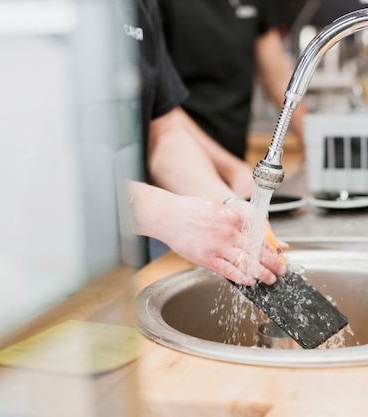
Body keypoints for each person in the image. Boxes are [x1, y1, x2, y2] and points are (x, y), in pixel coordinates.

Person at [120, 0, 287, 286]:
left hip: (125, 262)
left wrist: (226, 203)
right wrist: (167, 215)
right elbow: (28, 172)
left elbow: (164, 133)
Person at [157, 0, 307, 198]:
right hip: (178, 170)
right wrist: (231, 168)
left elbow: (278, 78)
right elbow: (163, 114)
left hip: (237, 169)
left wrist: (316, 145)